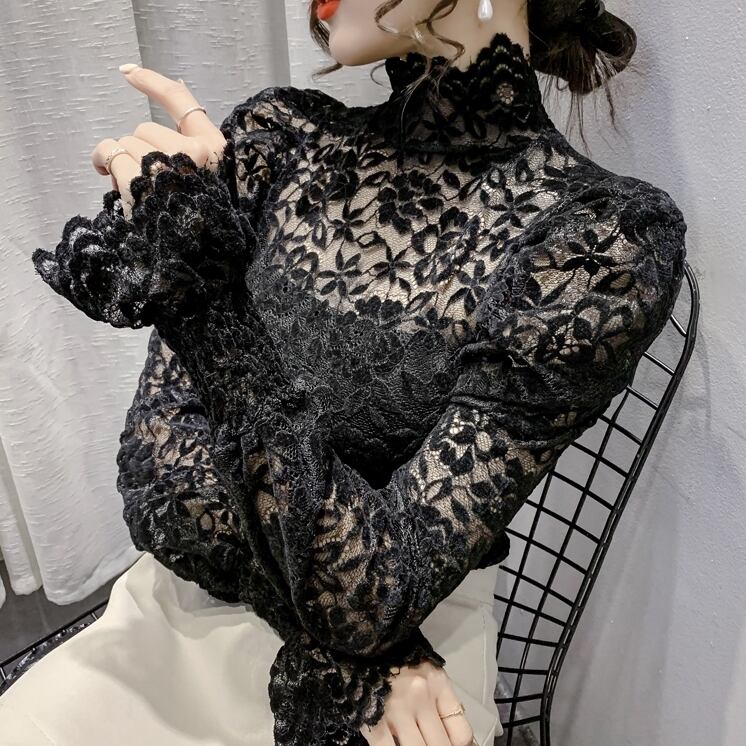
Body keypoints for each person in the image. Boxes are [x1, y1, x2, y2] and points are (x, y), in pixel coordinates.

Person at [5, 1, 687, 745]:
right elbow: (160, 490)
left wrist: (208, 308)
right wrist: (369, 642)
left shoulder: (598, 236)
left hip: (423, 656)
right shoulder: (277, 140)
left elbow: (378, 594)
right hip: (245, 624)